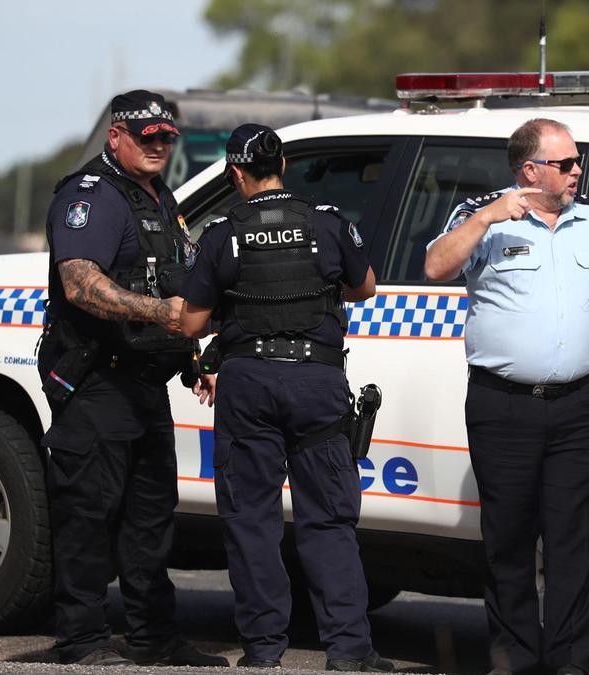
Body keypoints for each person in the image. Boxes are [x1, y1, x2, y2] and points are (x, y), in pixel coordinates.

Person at [424, 118, 589, 675]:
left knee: (574, 544)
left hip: (577, 406)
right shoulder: (486, 219)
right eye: (566, 163)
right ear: (530, 170)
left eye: (578, 163)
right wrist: (485, 218)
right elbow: (434, 266)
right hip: (503, 406)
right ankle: (517, 663)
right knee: (508, 545)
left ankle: (570, 666)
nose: (578, 171)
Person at [180, 124, 392, 672]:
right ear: (282, 167)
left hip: (248, 383)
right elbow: (365, 285)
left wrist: (233, 312)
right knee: (328, 519)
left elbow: (190, 324)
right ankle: (348, 651)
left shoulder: (223, 232)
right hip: (316, 383)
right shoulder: (326, 222)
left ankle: (263, 650)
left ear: (235, 174)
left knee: (252, 519)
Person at [37, 90, 225, 667]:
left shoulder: (159, 195)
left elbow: (172, 277)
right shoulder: (91, 196)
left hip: (144, 385)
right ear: (115, 135)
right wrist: (161, 313)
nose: (159, 147)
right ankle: (84, 640)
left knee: (150, 521)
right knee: (87, 519)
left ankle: (153, 637)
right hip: (98, 383)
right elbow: (79, 283)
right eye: (148, 138)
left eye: (167, 138)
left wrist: (190, 354)